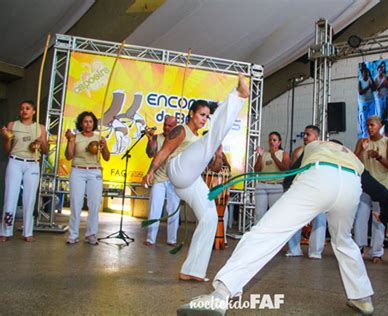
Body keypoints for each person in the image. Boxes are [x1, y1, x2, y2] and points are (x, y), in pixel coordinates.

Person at [178, 140, 375, 315]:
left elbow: (291, 174)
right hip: (351, 182)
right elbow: (374, 186)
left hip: (320, 176)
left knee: (267, 233)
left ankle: (222, 294)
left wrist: (292, 200)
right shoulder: (348, 153)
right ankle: (362, 298)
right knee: (343, 240)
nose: (306, 137)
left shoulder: (315, 147)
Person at [142, 74, 249, 281]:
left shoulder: (200, 141)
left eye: (208, 116)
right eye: (202, 114)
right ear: (191, 113)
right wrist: (151, 170)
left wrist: (217, 156)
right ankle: (238, 96)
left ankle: (192, 270)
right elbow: (163, 151)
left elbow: (211, 165)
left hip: (189, 181)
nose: (204, 119)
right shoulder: (181, 130)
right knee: (213, 137)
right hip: (177, 170)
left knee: (210, 218)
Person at [0, 100, 48, 242]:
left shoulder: (40, 127)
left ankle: (27, 232)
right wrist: (7, 137)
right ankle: (5, 231)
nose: (24, 111)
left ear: (34, 111)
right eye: (22, 108)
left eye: (28, 108)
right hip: (15, 161)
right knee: (10, 196)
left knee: (30, 198)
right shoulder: (12, 125)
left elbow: (45, 151)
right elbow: (7, 149)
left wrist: (42, 142)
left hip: (32, 163)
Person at [354, 116, 388, 263]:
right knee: (360, 217)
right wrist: (361, 150)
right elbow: (353, 161)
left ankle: (377, 252)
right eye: (367, 125)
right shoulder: (362, 141)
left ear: (379, 126)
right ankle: (359, 247)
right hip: (365, 186)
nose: (369, 128)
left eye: (372, 125)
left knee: (378, 219)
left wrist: (378, 157)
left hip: (380, 185)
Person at [65, 111, 110, 245]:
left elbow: (107, 158)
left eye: (90, 122)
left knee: (94, 204)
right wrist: (70, 141)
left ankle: (91, 234)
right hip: (77, 171)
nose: (88, 124)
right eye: (85, 121)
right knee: (75, 203)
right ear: (81, 123)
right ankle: (73, 234)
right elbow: (68, 156)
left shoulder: (99, 137)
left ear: (94, 123)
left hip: (94, 171)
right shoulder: (76, 137)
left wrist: (104, 146)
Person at [284, 125, 327, 259]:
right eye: (304, 134)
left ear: (316, 136)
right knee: (293, 219)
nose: (305, 137)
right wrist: (287, 184)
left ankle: (315, 252)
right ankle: (294, 249)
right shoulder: (301, 151)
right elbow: (294, 169)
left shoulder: (323, 150)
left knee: (319, 220)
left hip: (318, 189)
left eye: (308, 134)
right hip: (301, 189)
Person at [143, 116, 181, 247]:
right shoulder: (156, 138)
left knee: (173, 209)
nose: (166, 128)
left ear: (175, 127)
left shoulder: (180, 140)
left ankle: (172, 239)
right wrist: (149, 140)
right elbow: (149, 153)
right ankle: (150, 238)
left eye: (170, 126)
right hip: (159, 178)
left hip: (174, 179)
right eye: (165, 125)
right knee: (154, 208)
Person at [253, 131, 290, 222]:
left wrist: (273, 156)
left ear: (279, 142)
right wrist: (260, 156)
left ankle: (273, 235)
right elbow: (256, 170)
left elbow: (284, 168)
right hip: (262, 184)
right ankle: (258, 234)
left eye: (274, 140)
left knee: (274, 213)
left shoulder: (283, 153)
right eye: (270, 140)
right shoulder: (264, 153)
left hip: (276, 185)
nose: (271, 142)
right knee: (259, 213)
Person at [358, 68, 376, 137]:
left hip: (371, 101)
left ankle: (372, 132)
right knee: (365, 119)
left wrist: (371, 77)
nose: (366, 74)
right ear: (362, 73)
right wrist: (368, 86)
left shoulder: (370, 79)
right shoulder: (360, 81)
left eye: (367, 72)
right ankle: (365, 134)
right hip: (364, 102)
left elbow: (374, 89)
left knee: (372, 118)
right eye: (364, 72)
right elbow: (360, 92)